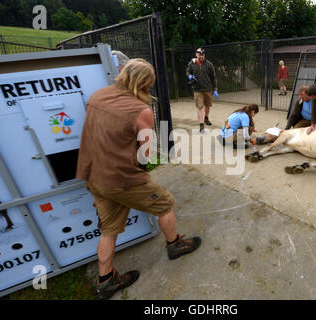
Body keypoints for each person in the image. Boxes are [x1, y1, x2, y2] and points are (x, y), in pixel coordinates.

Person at [76, 59, 202, 300]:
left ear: (122, 74)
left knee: (109, 229)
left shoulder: (98, 96)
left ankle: (105, 282)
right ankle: (174, 246)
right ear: (145, 84)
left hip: (93, 175)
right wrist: (141, 173)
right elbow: (146, 153)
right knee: (165, 203)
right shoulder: (141, 111)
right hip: (120, 178)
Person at [186, 48, 218, 133]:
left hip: (207, 88)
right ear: (196, 54)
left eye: (203, 55)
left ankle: (206, 118)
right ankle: (201, 126)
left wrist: (215, 89)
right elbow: (188, 72)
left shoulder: (209, 64)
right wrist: (189, 76)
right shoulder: (191, 64)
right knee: (199, 107)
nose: (201, 56)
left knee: (207, 106)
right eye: (200, 54)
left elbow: (213, 77)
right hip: (197, 89)